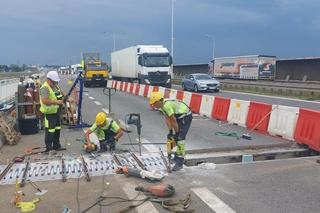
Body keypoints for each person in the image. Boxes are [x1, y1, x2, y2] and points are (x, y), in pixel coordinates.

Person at [149, 91, 193, 171]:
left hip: (185, 116)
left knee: (180, 139)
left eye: (154, 103)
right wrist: (170, 132)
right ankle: (176, 157)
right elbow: (167, 119)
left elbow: (173, 120)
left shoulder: (167, 106)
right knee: (176, 138)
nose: (153, 106)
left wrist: (176, 133)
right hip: (178, 116)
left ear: (159, 101)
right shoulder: (162, 107)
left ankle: (179, 162)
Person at [39, 70, 64, 152]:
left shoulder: (55, 86)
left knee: (57, 129)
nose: (55, 83)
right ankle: (49, 148)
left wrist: (66, 99)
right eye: (54, 82)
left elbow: (61, 94)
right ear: (49, 80)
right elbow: (45, 101)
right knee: (50, 130)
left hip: (56, 112)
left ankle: (56, 145)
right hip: (49, 113)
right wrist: (57, 102)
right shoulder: (45, 88)